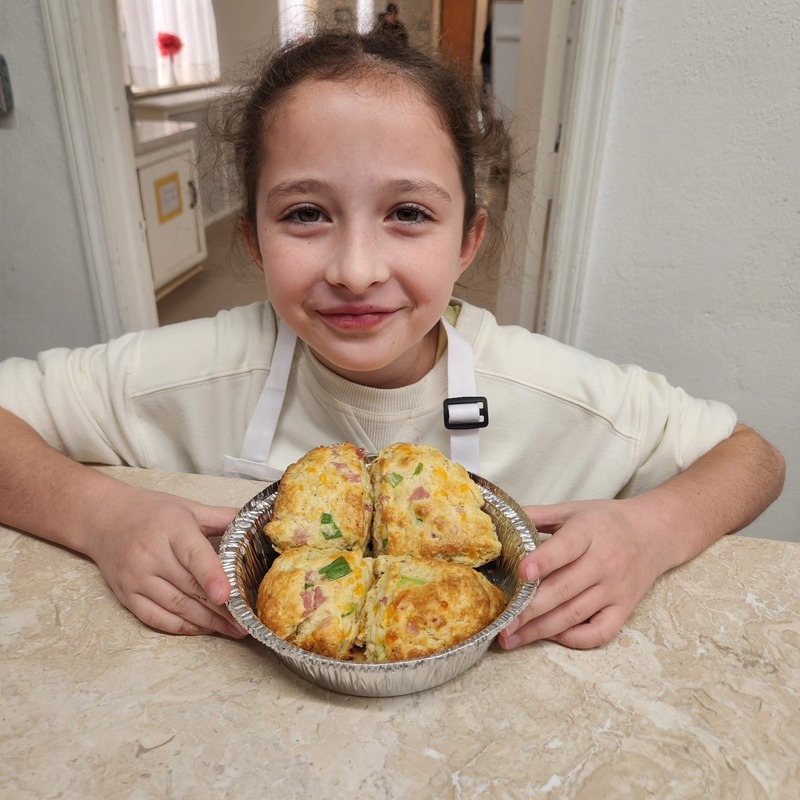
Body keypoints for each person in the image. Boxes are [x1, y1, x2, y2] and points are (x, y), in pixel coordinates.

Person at [0, 29, 784, 650]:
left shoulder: (544, 389)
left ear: (468, 240)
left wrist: (649, 533)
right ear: (253, 239)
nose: (355, 270)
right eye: (306, 213)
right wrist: (101, 517)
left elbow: (752, 458)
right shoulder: (198, 369)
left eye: (408, 213)